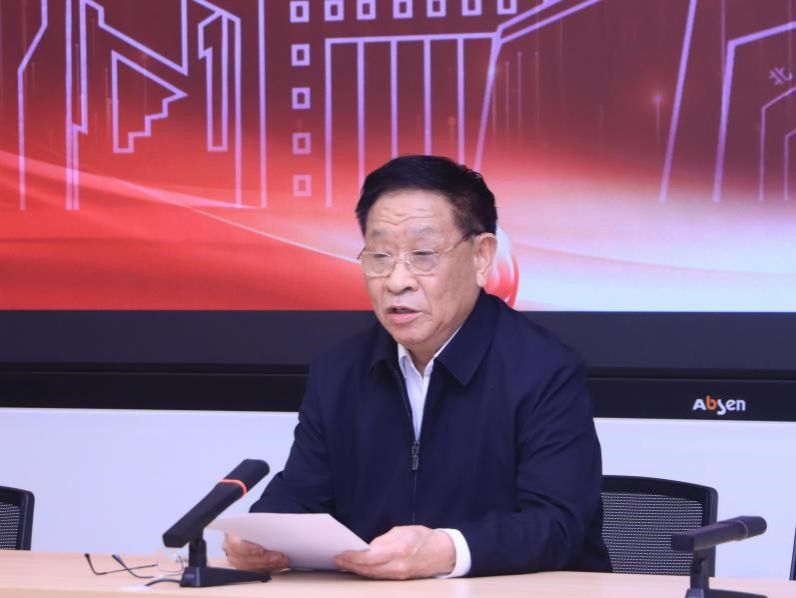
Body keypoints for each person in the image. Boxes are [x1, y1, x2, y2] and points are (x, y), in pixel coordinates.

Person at [223, 155, 611, 579]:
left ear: (482, 257)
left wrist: (447, 550)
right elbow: (301, 496)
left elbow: (556, 524)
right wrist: (261, 536)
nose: (396, 281)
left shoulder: (544, 370)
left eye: (423, 254)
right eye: (379, 256)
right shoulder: (338, 373)